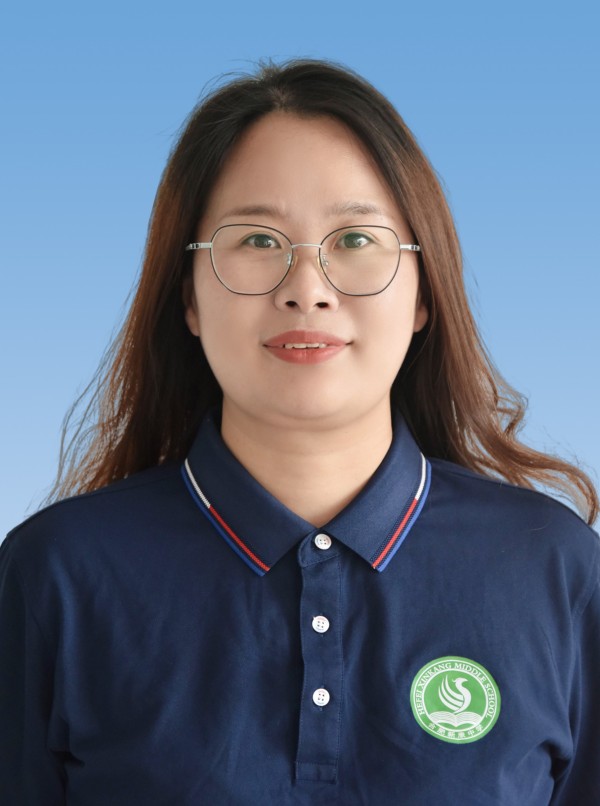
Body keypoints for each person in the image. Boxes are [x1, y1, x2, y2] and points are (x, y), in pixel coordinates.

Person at [1, 59, 598, 805]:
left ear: (424, 292)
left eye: (355, 240)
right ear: (188, 297)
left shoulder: (555, 570)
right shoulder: (56, 575)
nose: (306, 289)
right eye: (257, 240)